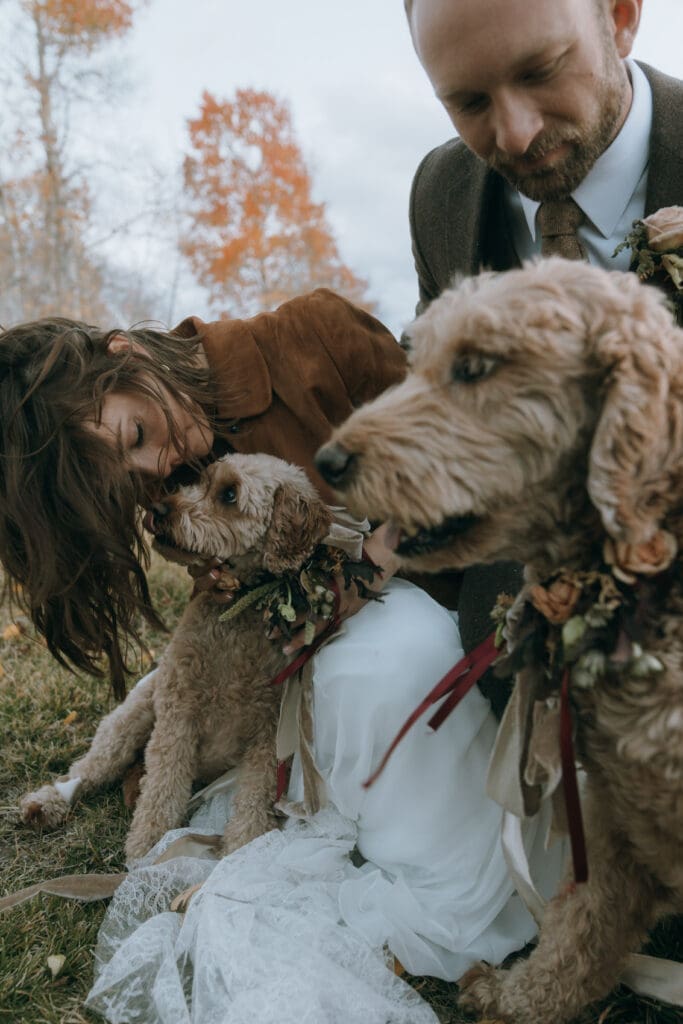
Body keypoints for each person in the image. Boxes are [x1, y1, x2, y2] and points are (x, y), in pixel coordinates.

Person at [2, 293, 565, 1022]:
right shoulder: (175, 478)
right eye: (132, 473)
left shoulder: (315, 336)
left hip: (438, 597)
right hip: (278, 663)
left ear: (124, 353)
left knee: (383, 661)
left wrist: (371, 564)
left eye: (140, 432)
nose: (160, 465)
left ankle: (456, 868)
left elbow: (466, 452)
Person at [403, 0, 683, 654]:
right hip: (517, 651)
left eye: (540, 71)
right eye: (468, 103)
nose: (516, 135)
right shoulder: (436, 193)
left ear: (619, 17)